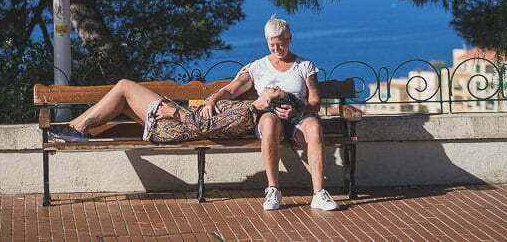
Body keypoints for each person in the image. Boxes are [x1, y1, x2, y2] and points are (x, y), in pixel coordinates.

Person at [199, 17, 339, 211]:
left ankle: (319, 194)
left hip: (298, 117)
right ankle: (273, 190)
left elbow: (315, 102)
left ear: (290, 39)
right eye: (272, 44)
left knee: (315, 127)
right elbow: (231, 90)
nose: (276, 49)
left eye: (280, 44)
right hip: (270, 119)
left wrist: (297, 109)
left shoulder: (305, 66)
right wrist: (212, 100)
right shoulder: (257, 67)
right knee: (269, 122)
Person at [50, 78, 291, 144]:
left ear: (271, 103)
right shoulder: (247, 109)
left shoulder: (246, 113)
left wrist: (173, 112)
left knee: (124, 86)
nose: (274, 86)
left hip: (172, 127)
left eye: (276, 90)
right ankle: (74, 128)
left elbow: (204, 127)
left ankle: (76, 129)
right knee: (122, 98)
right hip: (174, 123)